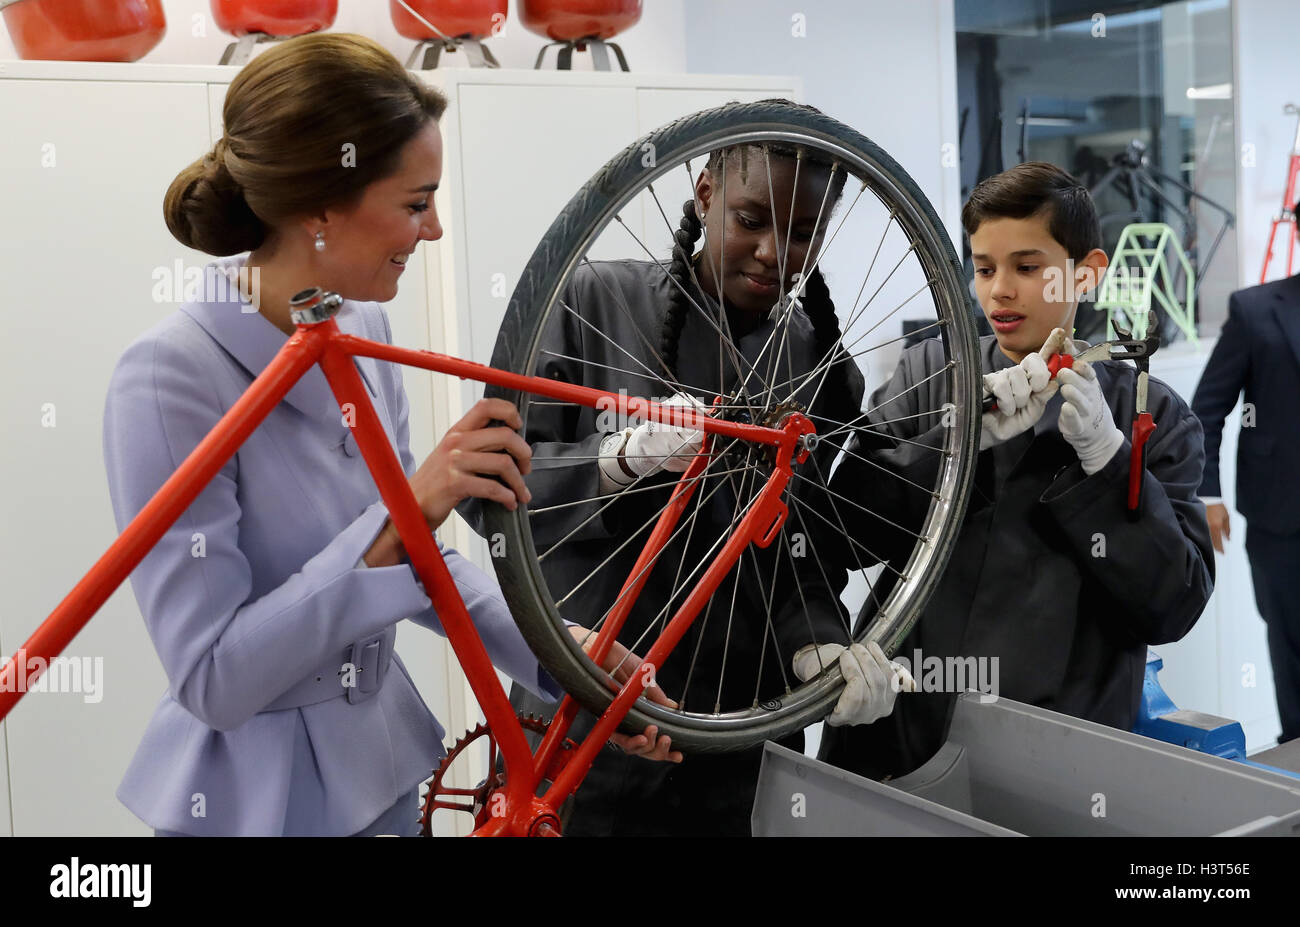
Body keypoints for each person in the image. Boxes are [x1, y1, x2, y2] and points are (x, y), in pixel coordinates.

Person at [104, 33, 673, 838]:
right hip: (249, 807)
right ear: (321, 207)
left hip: (379, 780)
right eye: (414, 202)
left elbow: (417, 556)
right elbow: (213, 677)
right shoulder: (170, 377)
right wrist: (409, 506)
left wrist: (572, 659)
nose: (434, 230)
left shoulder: (358, 327)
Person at [485, 103, 915, 837]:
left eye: (804, 232)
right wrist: (615, 463)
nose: (775, 252)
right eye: (751, 218)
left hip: (743, 731)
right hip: (589, 715)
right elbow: (487, 499)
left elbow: (799, 544)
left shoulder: (811, 352)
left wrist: (818, 640)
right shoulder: (590, 297)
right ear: (706, 192)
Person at [818, 161, 1215, 780]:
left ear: (1087, 273)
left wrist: (1107, 464)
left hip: (1055, 756)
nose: (999, 290)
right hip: (904, 728)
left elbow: (1174, 606)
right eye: (983, 268)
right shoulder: (932, 374)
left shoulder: (1150, 414)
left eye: (1027, 268)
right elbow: (842, 532)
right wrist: (955, 440)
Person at [1191, 259, 1300, 745]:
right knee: (1291, 646)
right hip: (1282, 519)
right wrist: (1208, 495)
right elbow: (1208, 410)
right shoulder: (1255, 310)